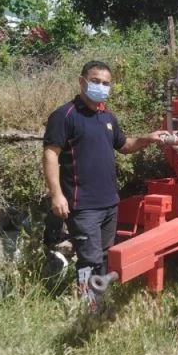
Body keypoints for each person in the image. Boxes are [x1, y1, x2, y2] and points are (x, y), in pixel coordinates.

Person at [42, 60, 168, 307]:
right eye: (96, 81)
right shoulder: (64, 116)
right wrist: (56, 195)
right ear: (82, 81)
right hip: (83, 205)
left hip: (110, 202)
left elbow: (125, 146)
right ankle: (87, 306)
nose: (101, 86)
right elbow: (50, 154)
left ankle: (96, 300)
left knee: (103, 256)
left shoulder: (107, 116)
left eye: (106, 83)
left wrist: (148, 138)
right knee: (88, 258)